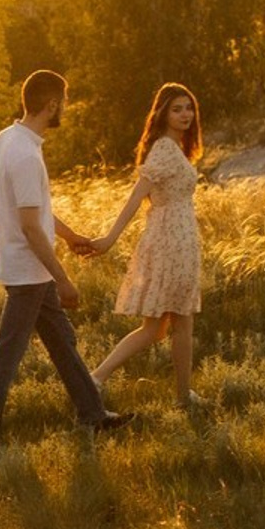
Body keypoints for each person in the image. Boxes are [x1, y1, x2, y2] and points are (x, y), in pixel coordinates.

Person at [0, 70, 134, 450]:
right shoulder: (26, 155)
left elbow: (35, 211)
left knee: (62, 341)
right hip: (29, 271)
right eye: (65, 101)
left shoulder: (8, 138)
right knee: (7, 351)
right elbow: (29, 226)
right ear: (52, 104)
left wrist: (70, 236)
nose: (67, 108)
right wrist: (62, 278)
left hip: (27, 267)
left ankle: (92, 415)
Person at [88, 82, 205, 409]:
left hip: (176, 236)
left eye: (188, 108)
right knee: (180, 322)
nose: (185, 115)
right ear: (163, 113)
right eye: (177, 108)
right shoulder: (165, 149)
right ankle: (184, 398)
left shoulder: (173, 147)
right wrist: (110, 238)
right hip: (171, 240)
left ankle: (95, 378)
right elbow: (137, 196)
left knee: (156, 328)